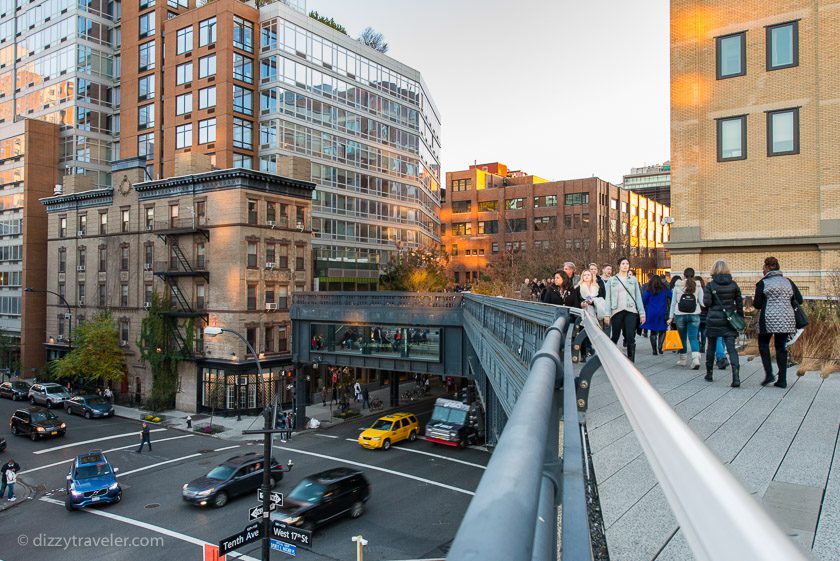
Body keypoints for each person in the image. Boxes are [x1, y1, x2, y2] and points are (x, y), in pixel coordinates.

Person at [753, 256, 803, 388]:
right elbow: (800, 299)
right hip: (786, 319)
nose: (762, 270)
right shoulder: (788, 282)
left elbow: (757, 304)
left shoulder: (762, 283)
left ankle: (769, 374)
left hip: (767, 318)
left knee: (763, 344)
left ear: (768, 267)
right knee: (781, 347)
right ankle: (782, 380)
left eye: (763, 267)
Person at [703, 260, 744, 387]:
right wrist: (739, 318)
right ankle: (736, 377)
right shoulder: (733, 285)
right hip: (729, 321)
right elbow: (739, 303)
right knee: (731, 349)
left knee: (711, 346)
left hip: (713, 320)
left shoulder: (710, 286)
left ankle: (709, 374)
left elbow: (707, 303)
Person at [604, 257, 646, 362]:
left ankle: (631, 359)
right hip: (616, 310)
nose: (625, 265)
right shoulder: (612, 280)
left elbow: (638, 297)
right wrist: (607, 314)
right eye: (623, 263)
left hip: (631, 311)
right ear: (619, 265)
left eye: (627, 263)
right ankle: (611, 358)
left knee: (630, 335)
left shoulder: (633, 280)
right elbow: (608, 298)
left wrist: (642, 313)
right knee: (615, 335)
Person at [668, 267, 704, 369]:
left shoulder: (677, 286)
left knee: (682, 338)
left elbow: (673, 303)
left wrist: (671, 317)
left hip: (680, 315)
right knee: (693, 338)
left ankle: (683, 360)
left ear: (684, 275)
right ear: (694, 275)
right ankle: (695, 359)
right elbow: (702, 302)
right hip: (694, 314)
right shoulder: (698, 286)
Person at [641, 275, 670, 355]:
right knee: (663, 330)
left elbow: (644, 300)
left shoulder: (649, 289)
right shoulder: (664, 289)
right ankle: (660, 346)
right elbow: (671, 296)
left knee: (653, 332)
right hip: (662, 312)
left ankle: (654, 350)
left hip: (651, 312)